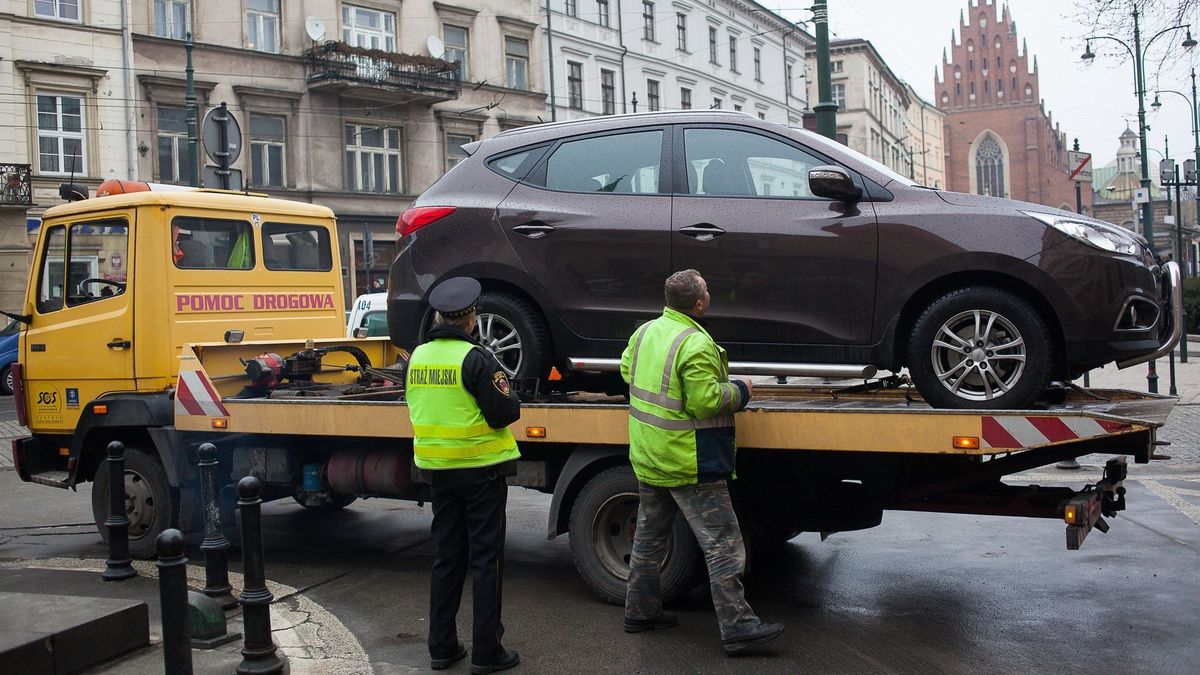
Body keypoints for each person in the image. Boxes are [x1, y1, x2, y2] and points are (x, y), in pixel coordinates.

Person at [622, 269, 784, 655]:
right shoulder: (694, 343)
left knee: (649, 538)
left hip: (650, 454)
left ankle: (640, 611)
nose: (710, 293)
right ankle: (738, 626)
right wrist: (742, 389)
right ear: (699, 303)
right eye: (707, 290)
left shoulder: (645, 332)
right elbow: (705, 401)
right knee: (723, 544)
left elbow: (627, 370)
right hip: (688, 460)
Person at [406, 277, 522, 674]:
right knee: (486, 561)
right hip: (480, 472)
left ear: (439, 317)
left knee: (447, 558)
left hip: (439, 472)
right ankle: (487, 653)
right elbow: (505, 412)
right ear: (471, 318)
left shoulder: (417, 358)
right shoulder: (477, 359)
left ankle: (441, 647)